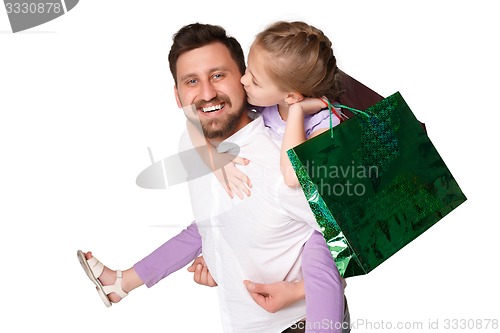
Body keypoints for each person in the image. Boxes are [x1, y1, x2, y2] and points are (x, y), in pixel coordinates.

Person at [78, 22, 350, 332]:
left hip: (298, 324)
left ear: (243, 80)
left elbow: (347, 237)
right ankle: (122, 282)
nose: (206, 93)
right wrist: (219, 252)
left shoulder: (282, 164)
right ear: (178, 96)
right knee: (203, 227)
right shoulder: (195, 142)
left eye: (218, 75)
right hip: (243, 324)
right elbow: (219, 221)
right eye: (192, 81)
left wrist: (299, 289)